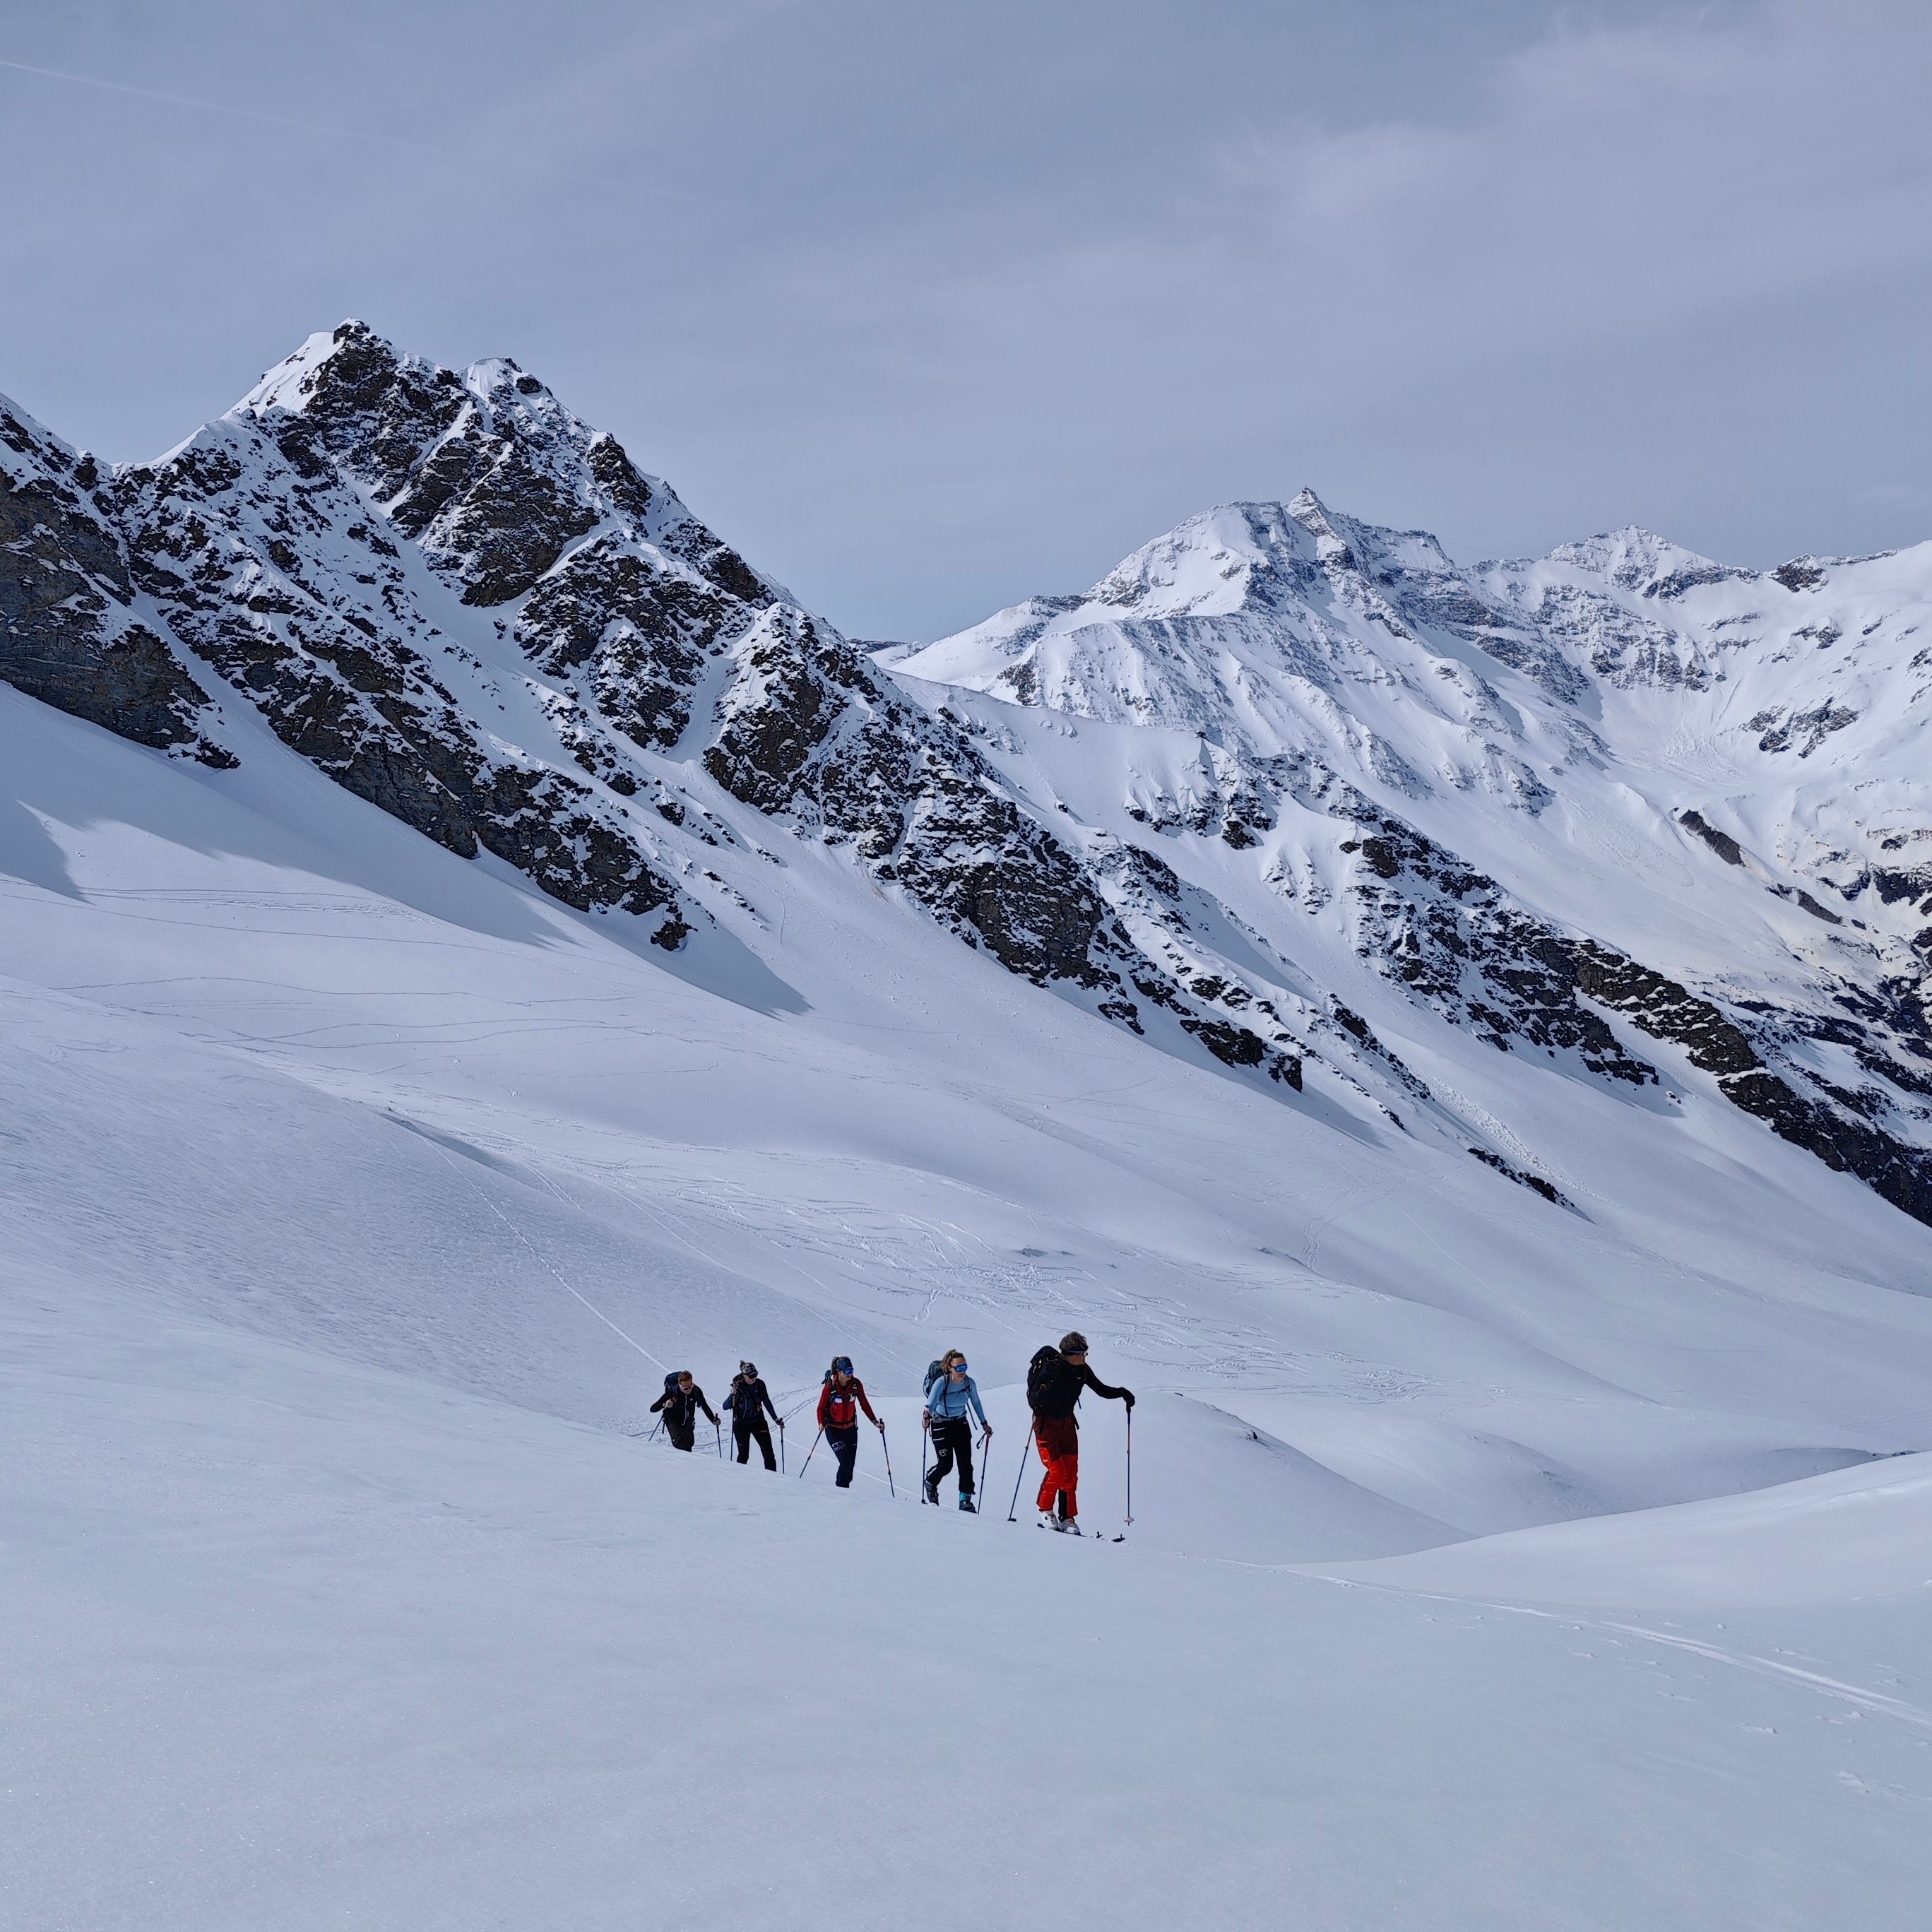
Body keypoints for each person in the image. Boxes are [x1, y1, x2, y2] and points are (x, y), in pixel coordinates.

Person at [1026, 1331, 1132, 1534]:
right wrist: (1045, 1393)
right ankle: (1045, 1508)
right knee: (1057, 1472)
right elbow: (1034, 1399)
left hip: (1067, 1426)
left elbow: (1101, 1390)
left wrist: (1122, 1393)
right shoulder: (1052, 1369)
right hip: (1046, 1427)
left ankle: (1067, 1518)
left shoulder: (1081, 1370)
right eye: (1083, 1353)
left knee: (1071, 1474)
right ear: (1071, 1354)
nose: (1085, 1357)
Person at [923, 1349, 990, 1511]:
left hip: (961, 1424)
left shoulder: (969, 1383)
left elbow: (976, 1402)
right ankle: (931, 1482)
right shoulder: (941, 1382)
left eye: (965, 1367)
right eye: (959, 1368)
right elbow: (930, 1403)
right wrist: (926, 1418)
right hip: (941, 1425)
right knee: (946, 1465)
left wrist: (984, 1423)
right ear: (950, 1368)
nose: (963, 1371)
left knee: (966, 1464)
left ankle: (965, 1500)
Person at [815, 1355, 882, 1488]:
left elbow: (865, 1404)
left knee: (850, 1466)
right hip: (833, 1429)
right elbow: (821, 1408)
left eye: (851, 1371)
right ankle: (841, 1493)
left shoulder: (856, 1385)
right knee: (845, 1462)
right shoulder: (830, 1387)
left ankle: (845, 1492)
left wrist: (875, 1421)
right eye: (847, 1372)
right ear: (839, 1372)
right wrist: (821, 1423)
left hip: (850, 1429)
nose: (850, 1375)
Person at [725, 1361, 781, 1471]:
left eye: (755, 1374)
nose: (754, 1377)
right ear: (744, 1375)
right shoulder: (739, 1387)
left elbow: (767, 1402)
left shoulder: (760, 1384)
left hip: (759, 1422)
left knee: (768, 1453)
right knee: (744, 1455)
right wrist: (733, 1394)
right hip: (742, 1424)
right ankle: (739, 1478)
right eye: (751, 1376)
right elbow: (725, 1406)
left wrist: (776, 1419)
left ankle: (774, 1481)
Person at [650, 1369, 719, 1453]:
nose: (689, 1390)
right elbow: (653, 1409)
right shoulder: (672, 1391)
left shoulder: (696, 1391)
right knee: (681, 1446)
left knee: (690, 1444)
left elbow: (704, 1406)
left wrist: (713, 1420)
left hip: (688, 1422)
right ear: (679, 1385)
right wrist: (665, 1404)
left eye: (691, 1386)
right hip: (673, 1421)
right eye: (685, 1388)